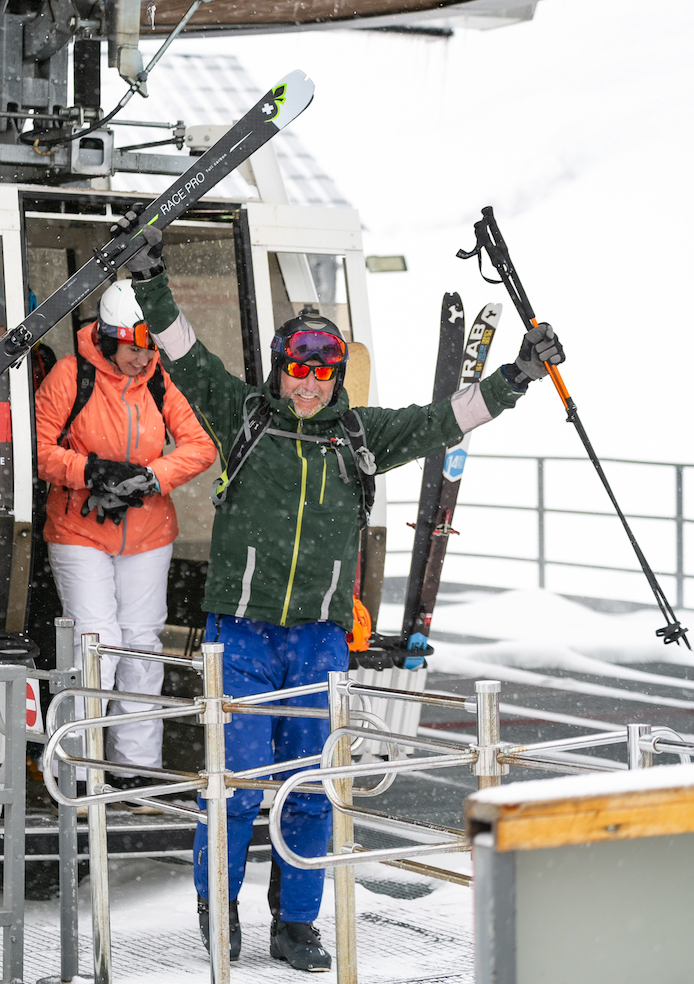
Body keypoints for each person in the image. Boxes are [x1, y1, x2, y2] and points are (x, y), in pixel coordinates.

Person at [126, 224, 564, 969]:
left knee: (312, 786)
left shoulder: (359, 437)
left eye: (323, 372)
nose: (309, 383)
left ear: (337, 377)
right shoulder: (243, 416)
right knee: (234, 787)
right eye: (298, 369)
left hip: (320, 639)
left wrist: (517, 377)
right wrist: (149, 279)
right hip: (242, 635)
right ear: (280, 371)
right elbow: (183, 350)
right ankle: (218, 910)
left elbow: (445, 419)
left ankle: (295, 923)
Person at [35, 279, 217, 804]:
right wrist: (90, 471)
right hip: (80, 530)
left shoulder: (160, 380)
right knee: (95, 642)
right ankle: (77, 764)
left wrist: (150, 478)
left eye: (151, 347)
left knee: (141, 645)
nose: (143, 358)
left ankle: (136, 769)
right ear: (109, 339)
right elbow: (38, 450)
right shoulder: (71, 376)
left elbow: (201, 445)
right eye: (135, 348)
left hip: (148, 532)